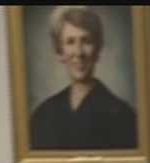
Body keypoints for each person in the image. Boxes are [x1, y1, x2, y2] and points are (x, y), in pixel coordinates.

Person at [30, 6, 138, 151]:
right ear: (59, 52)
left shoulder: (123, 117)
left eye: (86, 41)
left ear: (98, 49)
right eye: (70, 42)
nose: (79, 52)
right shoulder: (43, 115)